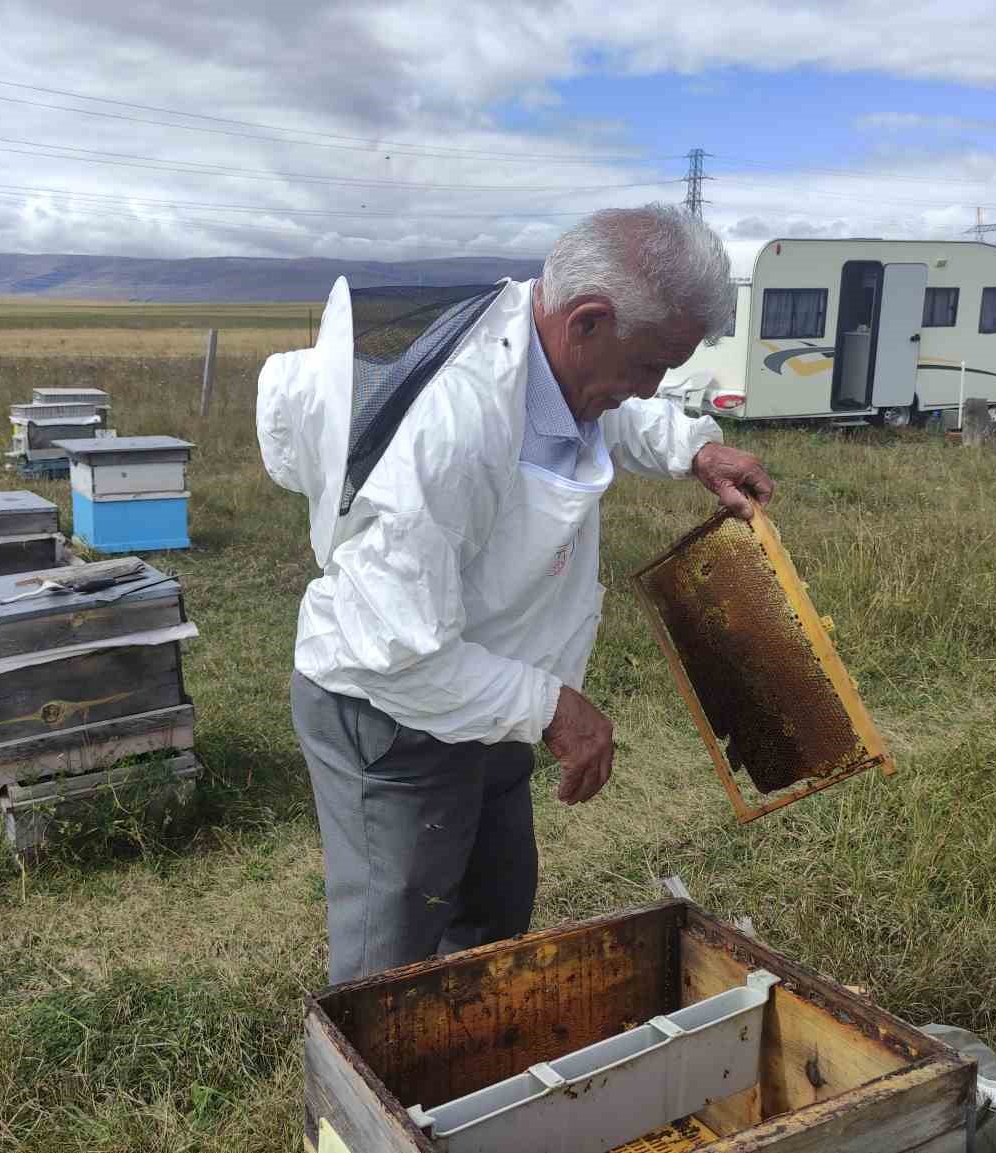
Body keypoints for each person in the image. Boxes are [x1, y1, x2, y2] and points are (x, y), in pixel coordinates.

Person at [256, 204, 774, 983]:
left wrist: (693, 449)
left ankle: (466, 1057)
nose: (651, 386)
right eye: (650, 364)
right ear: (588, 321)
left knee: (493, 919)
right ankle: (369, 1067)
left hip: (489, 685)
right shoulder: (449, 435)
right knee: (387, 970)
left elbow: (605, 416)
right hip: (390, 713)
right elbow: (400, 655)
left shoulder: (551, 345)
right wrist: (553, 707)